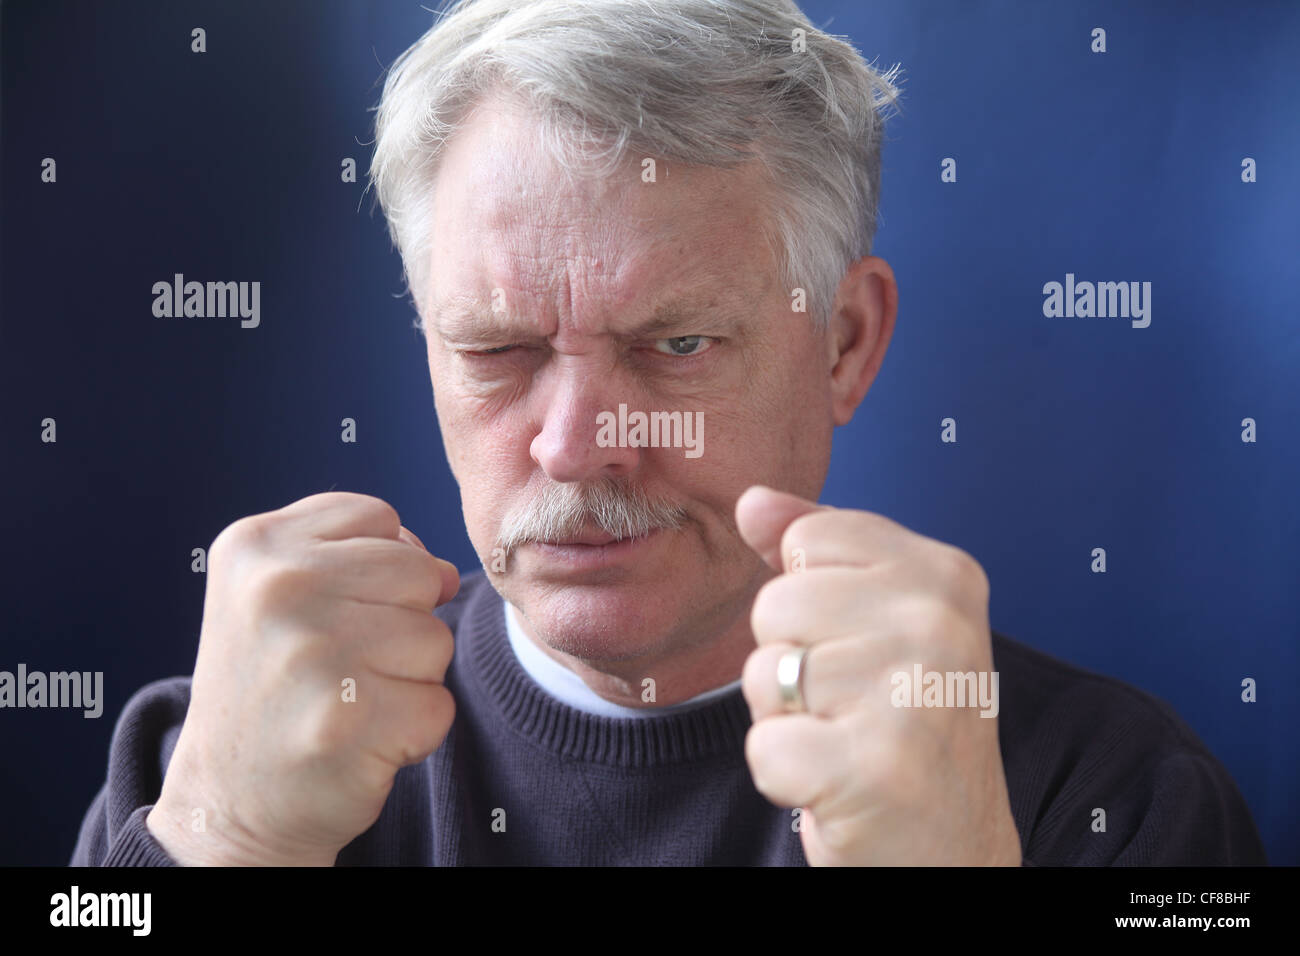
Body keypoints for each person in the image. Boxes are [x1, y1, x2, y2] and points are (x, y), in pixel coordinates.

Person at [72, 0, 1265, 866]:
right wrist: (213, 843)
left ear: (843, 343)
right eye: (496, 351)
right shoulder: (209, 748)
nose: (578, 446)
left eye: (676, 345)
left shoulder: (1118, 797)